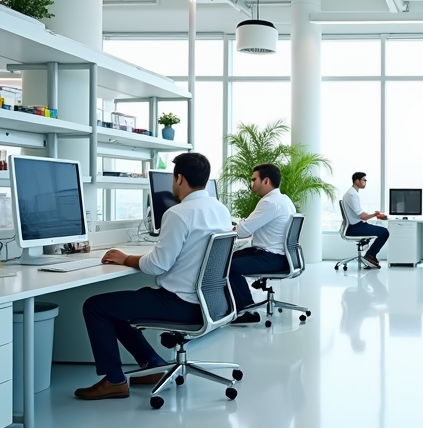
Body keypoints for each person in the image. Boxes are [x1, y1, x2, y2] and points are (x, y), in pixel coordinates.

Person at [74, 152, 232, 400]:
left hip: (181, 304)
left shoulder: (179, 213)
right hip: (210, 301)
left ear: (179, 178)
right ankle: (151, 363)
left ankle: (115, 381)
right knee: (120, 307)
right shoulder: (220, 210)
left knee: (95, 306)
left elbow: (157, 265)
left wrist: (126, 258)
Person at [229, 163, 295, 323]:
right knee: (228, 258)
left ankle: (246, 311)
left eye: (254, 179)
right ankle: (235, 306)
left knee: (225, 265)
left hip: (272, 257)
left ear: (266, 181)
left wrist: (228, 229)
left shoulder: (269, 203)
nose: (251, 184)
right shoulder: (284, 200)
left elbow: (243, 231)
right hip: (281, 255)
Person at [342, 171, 389, 268]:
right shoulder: (352, 194)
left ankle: (371, 255)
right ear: (356, 181)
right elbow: (362, 216)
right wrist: (375, 214)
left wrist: (375, 215)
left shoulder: (353, 193)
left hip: (356, 225)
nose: (365, 182)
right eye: (364, 180)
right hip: (355, 228)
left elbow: (360, 213)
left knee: (382, 231)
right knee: (384, 232)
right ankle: (370, 255)